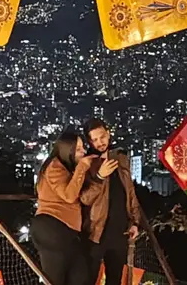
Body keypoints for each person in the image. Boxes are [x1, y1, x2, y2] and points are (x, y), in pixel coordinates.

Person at [31, 131, 117, 285]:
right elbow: (69, 196)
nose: (83, 151)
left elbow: (83, 195)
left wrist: (98, 176)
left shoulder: (67, 168)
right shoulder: (54, 167)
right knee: (56, 279)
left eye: (82, 147)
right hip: (52, 226)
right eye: (78, 149)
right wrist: (82, 167)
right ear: (66, 150)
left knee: (80, 277)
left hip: (67, 231)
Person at [80, 118, 143, 285]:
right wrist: (99, 177)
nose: (100, 142)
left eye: (102, 137)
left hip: (121, 232)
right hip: (96, 232)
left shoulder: (121, 159)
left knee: (115, 280)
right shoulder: (87, 163)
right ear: (89, 141)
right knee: (88, 279)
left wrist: (136, 222)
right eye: (94, 139)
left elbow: (130, 193)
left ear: (108, 134)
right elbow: (84, 199)